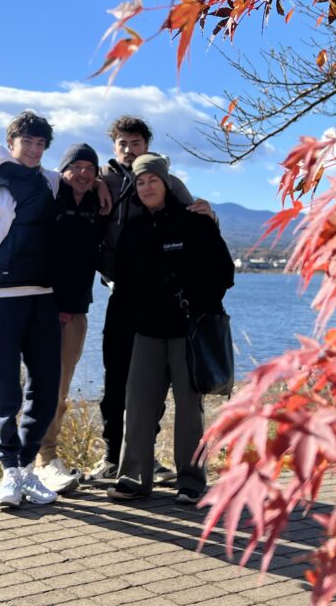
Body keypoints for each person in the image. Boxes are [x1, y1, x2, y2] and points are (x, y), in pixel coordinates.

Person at [87, 115, 215, 486]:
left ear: (147, 145)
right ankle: (114, 457)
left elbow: (199, 225)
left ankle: (149, 460)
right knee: (117, 377)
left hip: (163, 303)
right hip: (121, 294)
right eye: (123, 144)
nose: (129, 150)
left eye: (136, 143)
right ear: (114, 147)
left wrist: (212, 213)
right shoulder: (103, 181)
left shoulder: (170, 183)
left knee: (154, 382)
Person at [106, 153, 234, 503]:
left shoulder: (194, 221)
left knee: (189, 409)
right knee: (139, 406)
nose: (147, 187)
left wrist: (199, 309)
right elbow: (124, 283)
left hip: (186, 334)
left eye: (153, 180)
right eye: (141, 181)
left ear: (166, 184)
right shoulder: (132, 231)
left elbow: (224, 275)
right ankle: (133, 477)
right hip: (146, 332)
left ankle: (191, 481)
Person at [0, 111, 63, 508]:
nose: (35, 150)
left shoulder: (49, 181)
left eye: (41, 144)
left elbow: (76, 178)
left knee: (46, 386)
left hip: (44, 297)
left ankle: (25, 469)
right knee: (5, 388)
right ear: (12, 142)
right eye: (28, 143)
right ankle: (8, 472)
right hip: (2, 302)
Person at [34, 143, 106, 494]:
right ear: (62, 171)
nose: (83, 173)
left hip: (77, 310)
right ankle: (40, 460)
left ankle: (44, 457)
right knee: (42, 386)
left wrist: (102, 183)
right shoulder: (49, 196)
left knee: (61, 389)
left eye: (89, 168)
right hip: (44, 307)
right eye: (75, 167)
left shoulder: (96, 203)